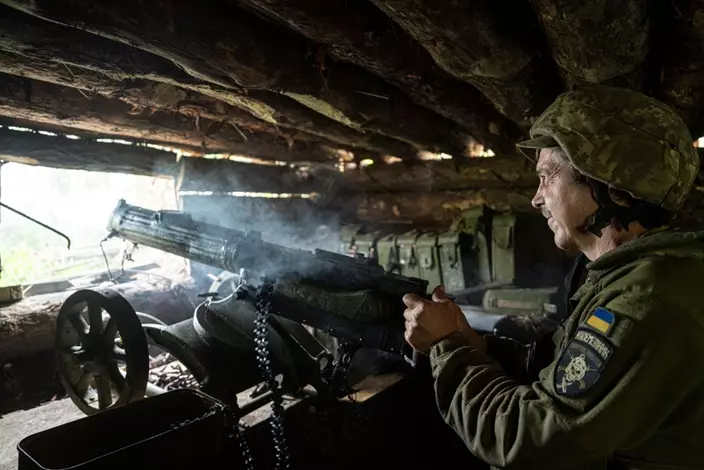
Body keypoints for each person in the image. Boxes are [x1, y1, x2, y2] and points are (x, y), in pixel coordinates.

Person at [402, 85, 704, 469]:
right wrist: (478, 346)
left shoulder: (645, 300)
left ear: (611, 188)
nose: (537, 197)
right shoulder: (634, 276)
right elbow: (565, 374)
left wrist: (448, 347)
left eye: (547, 176)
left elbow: (531, 441)